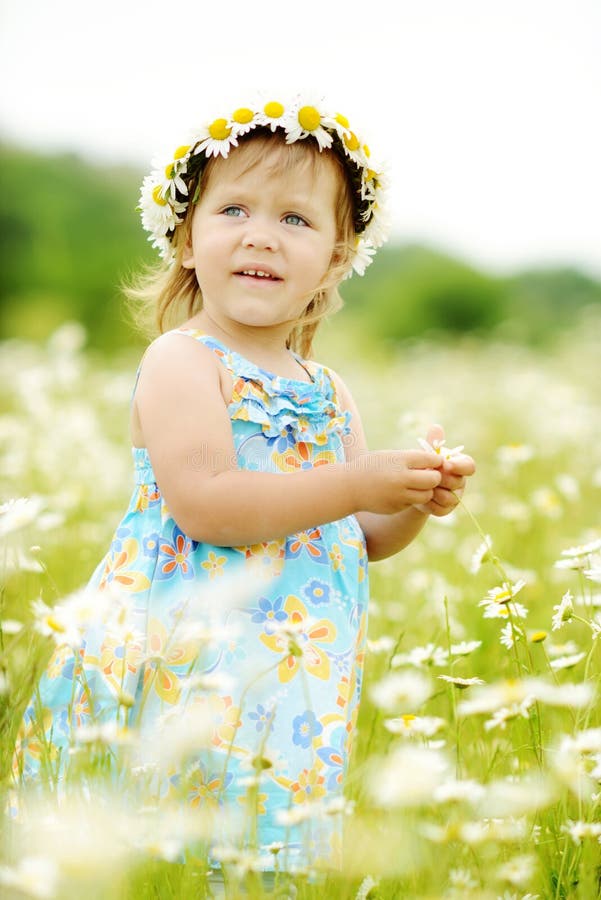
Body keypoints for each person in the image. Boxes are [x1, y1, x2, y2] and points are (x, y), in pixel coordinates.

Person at [10, 94, 475, 885]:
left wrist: (408, 498)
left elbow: (359, 536)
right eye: (233, 210)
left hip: (290, 676)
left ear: (333, 259)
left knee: (258, 848)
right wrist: (357, 479)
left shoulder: (328, 389)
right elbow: (208, 504)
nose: (261, 233)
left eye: (295, 220)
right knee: (166, 837)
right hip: (184, 659)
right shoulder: (182, 362)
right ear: (188, 240)